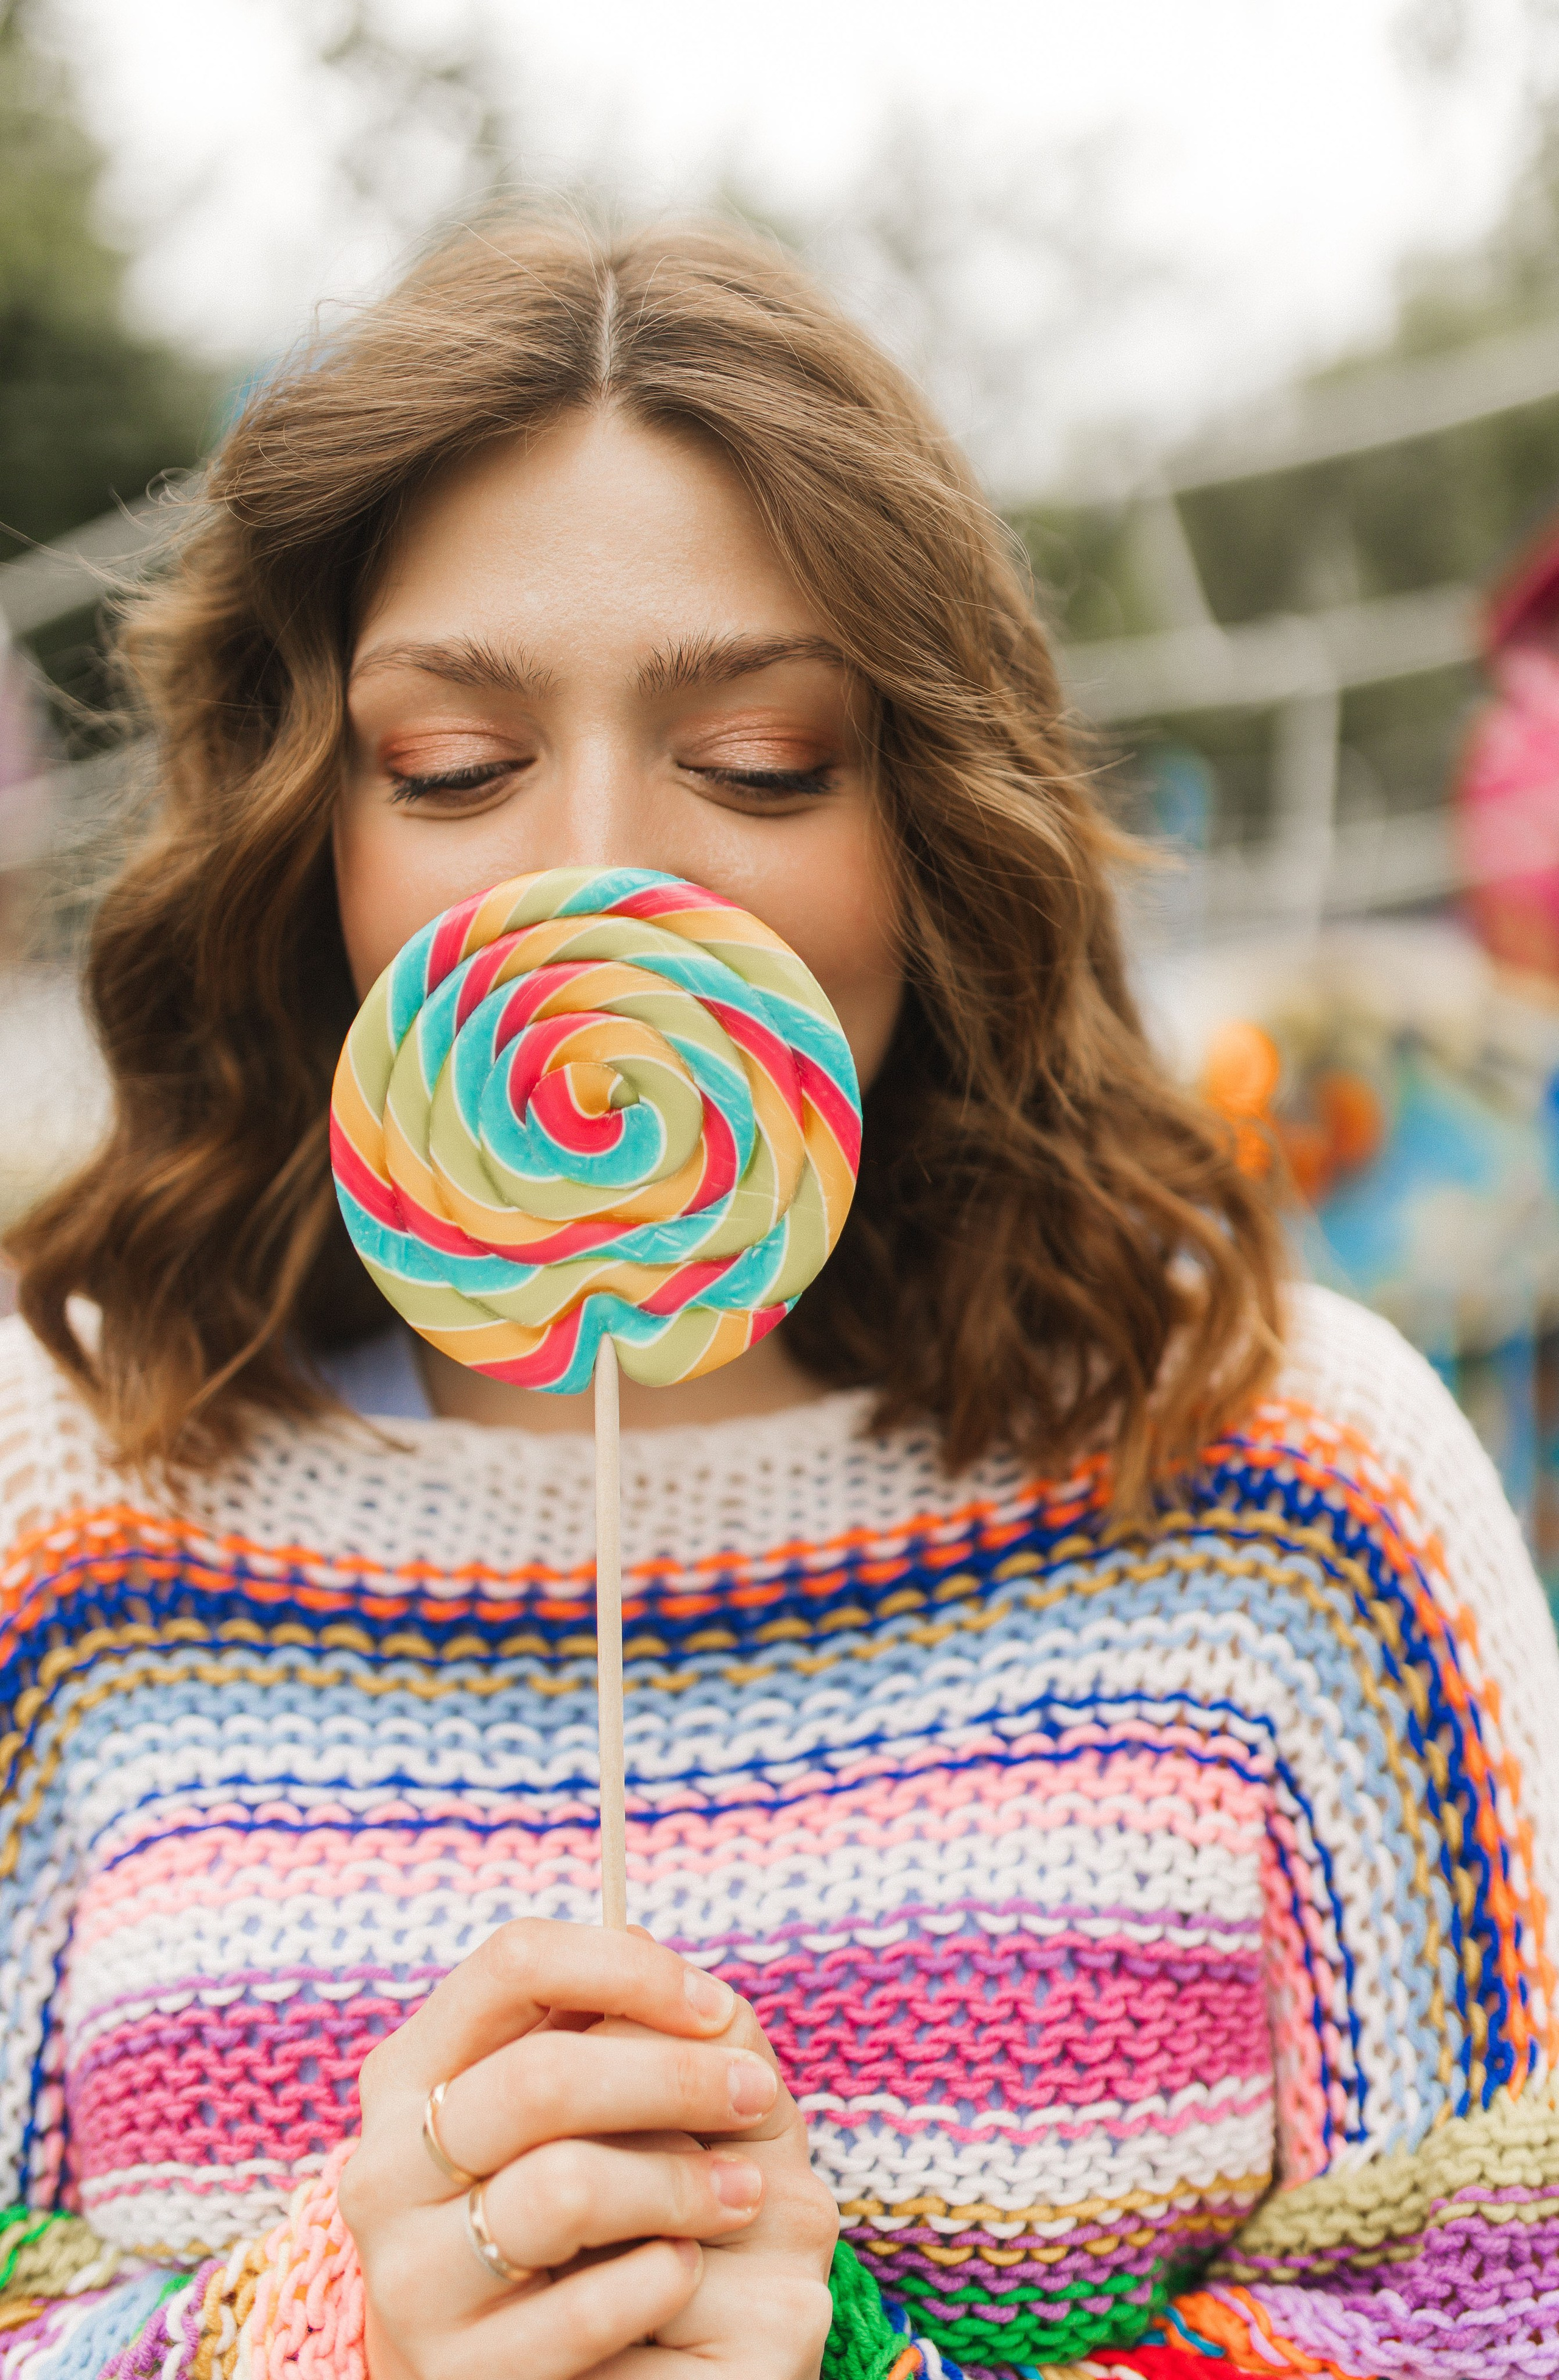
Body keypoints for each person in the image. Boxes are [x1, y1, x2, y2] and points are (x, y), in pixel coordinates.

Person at [0, 217, 1553, 2380]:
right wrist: (311, 2339)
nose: (603, 873)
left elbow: (1502, 2315)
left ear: (924, 811)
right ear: (312, 820)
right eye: (453, 764)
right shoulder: (57, 1510)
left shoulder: (1291, 1483)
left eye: (761, 763)